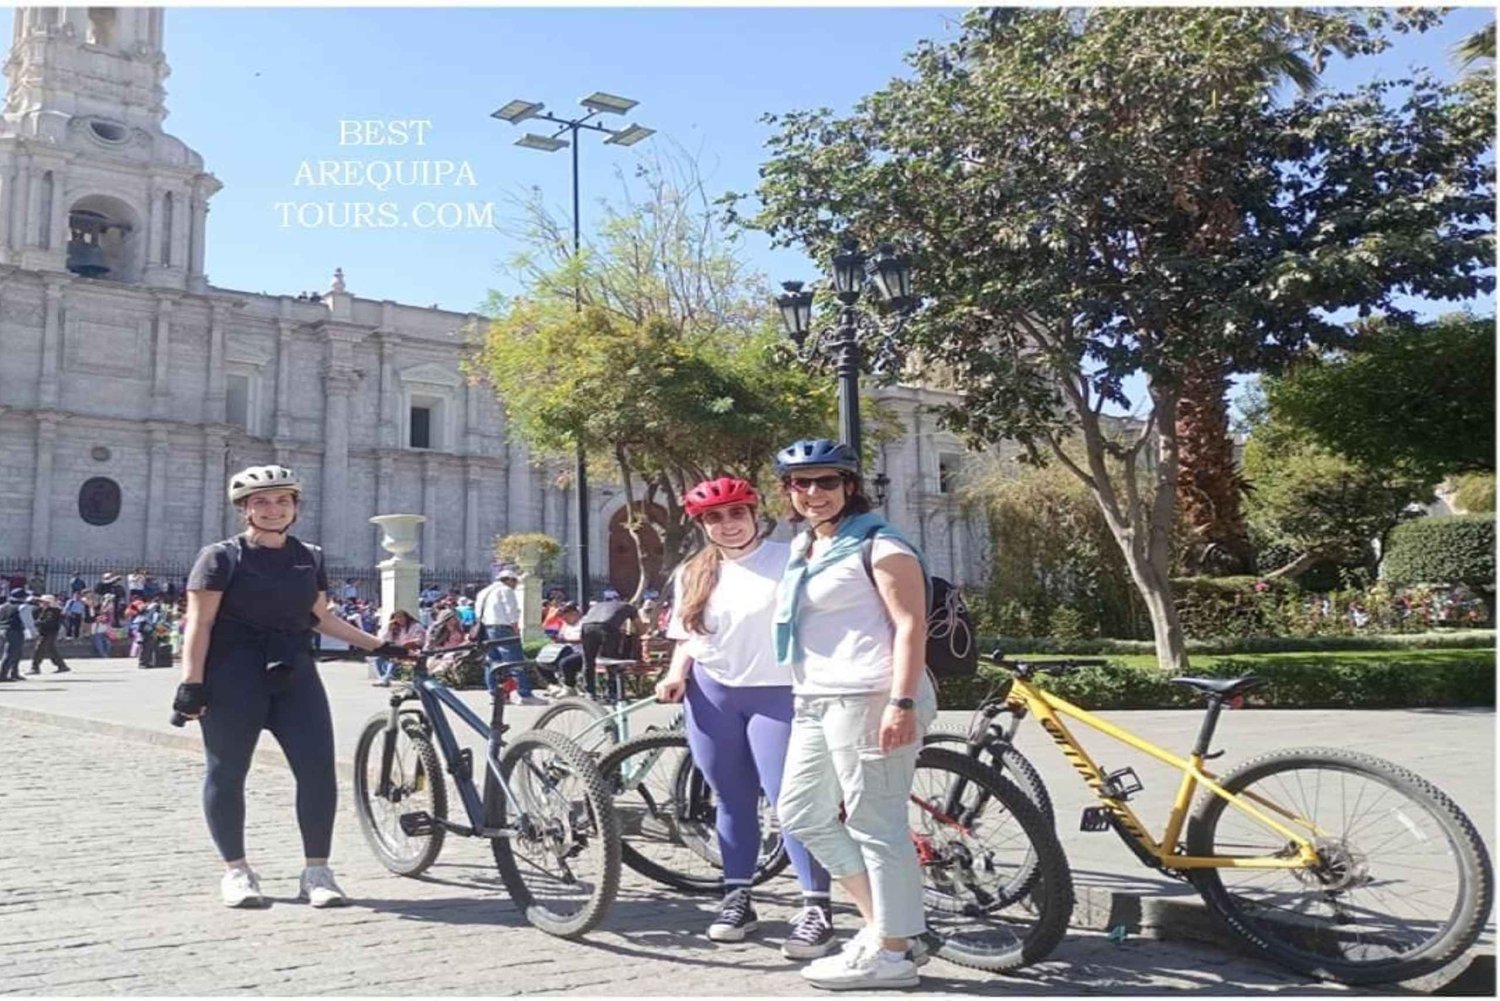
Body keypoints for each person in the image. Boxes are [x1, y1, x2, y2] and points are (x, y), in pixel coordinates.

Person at [174, 464, 410, 909]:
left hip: (295, 672)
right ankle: (238, 872)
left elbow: (321, 618)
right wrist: (192, 682)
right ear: (244, 509)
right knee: (227, 772)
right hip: (233, 673)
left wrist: (379, 645)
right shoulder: (220, 557)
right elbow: (199, 623)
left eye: (283, 500)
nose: (272, 509)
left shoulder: (310, 557)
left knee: (318, 770)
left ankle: (317, 871)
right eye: (261, 501)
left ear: (296, 508)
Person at [769, 438, 939, 991]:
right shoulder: (807, 546)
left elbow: (913, 625)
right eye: (801, 483)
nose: (813, 493)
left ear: (849, 486)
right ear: (788, 491)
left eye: (826, 482)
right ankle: (886, 927)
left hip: (871, 695)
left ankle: (892, 956)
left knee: (876, 825)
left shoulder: (881, 545)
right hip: (816, 698)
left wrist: (902, 701)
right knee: (801, 811)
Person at [654, 476, 836, 957]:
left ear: (755, 514)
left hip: (780, 693)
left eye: (736, 513)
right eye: (715, 517)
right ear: (702, 525)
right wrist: (675, 675)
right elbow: (687, 634)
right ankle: (738, 896)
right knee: (730, 799)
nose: (728, 524)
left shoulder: (792, 557)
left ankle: (816, 906)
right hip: (712, 695)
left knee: (791, 800)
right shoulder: (693, 571)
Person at [475, 568, 538, 705]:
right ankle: (524, 694)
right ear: (509, 580)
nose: (515, 585)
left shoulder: (484, 592)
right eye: (515, 581)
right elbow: (511, 612)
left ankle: (496, 694)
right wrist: (515, 630)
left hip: (487, 628)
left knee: (492, 662)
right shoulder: (506, 590)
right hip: (503, 628)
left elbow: (477, 612)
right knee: (515, 661)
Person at [577, 593, 640, 701]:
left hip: (586, 626)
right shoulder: (630, 607)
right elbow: (640, 627)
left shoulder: (598, 605)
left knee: (588, 660)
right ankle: (613, 692)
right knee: (611, 659)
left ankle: (589, 692)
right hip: (607, 626)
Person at [537, 602, 585, 696]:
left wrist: (566, 640)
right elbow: (560, 637)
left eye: (566, 617)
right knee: (541, 661)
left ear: (574, 614)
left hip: (582, 652)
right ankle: (554, 685)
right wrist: (555, 639)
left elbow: (584, 639)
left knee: (565, 662)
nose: (564, 620)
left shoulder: (583, 624)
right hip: (566, 650)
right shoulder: (565, 625)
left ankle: (570, 688)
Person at [373, 607, 425, 687]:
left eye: (401, 617)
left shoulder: (415, 626)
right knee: (378, 659)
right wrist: (388, 627)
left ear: (406, 617)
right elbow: (383, 639)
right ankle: (384, 678)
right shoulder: (394, 628)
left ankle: (386, 678)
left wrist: (408, 643)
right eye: (397, 618)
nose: (400, 620)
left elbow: (420, 640)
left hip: (411, 650)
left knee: (395, 658)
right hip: (397, 650)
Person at [0, 588, 37, 682]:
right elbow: (28, 621)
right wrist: (34, 633)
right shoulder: (23, 607)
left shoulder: (3, 606)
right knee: (12, 653)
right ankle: (3, 675)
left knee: (15, 652)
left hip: (3, 629)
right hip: (15, 630)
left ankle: (14, 673)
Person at [28, 595, 70, 674]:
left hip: (50, 632)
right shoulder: (38, 610)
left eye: (45, 602)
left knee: (39, 648)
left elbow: (49, 622)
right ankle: (61, 665)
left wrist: (38, 623)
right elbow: (36, 619)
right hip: (42, 631)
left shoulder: (54, 611)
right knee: (50, 649)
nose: (42, 603)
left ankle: (35, 667)